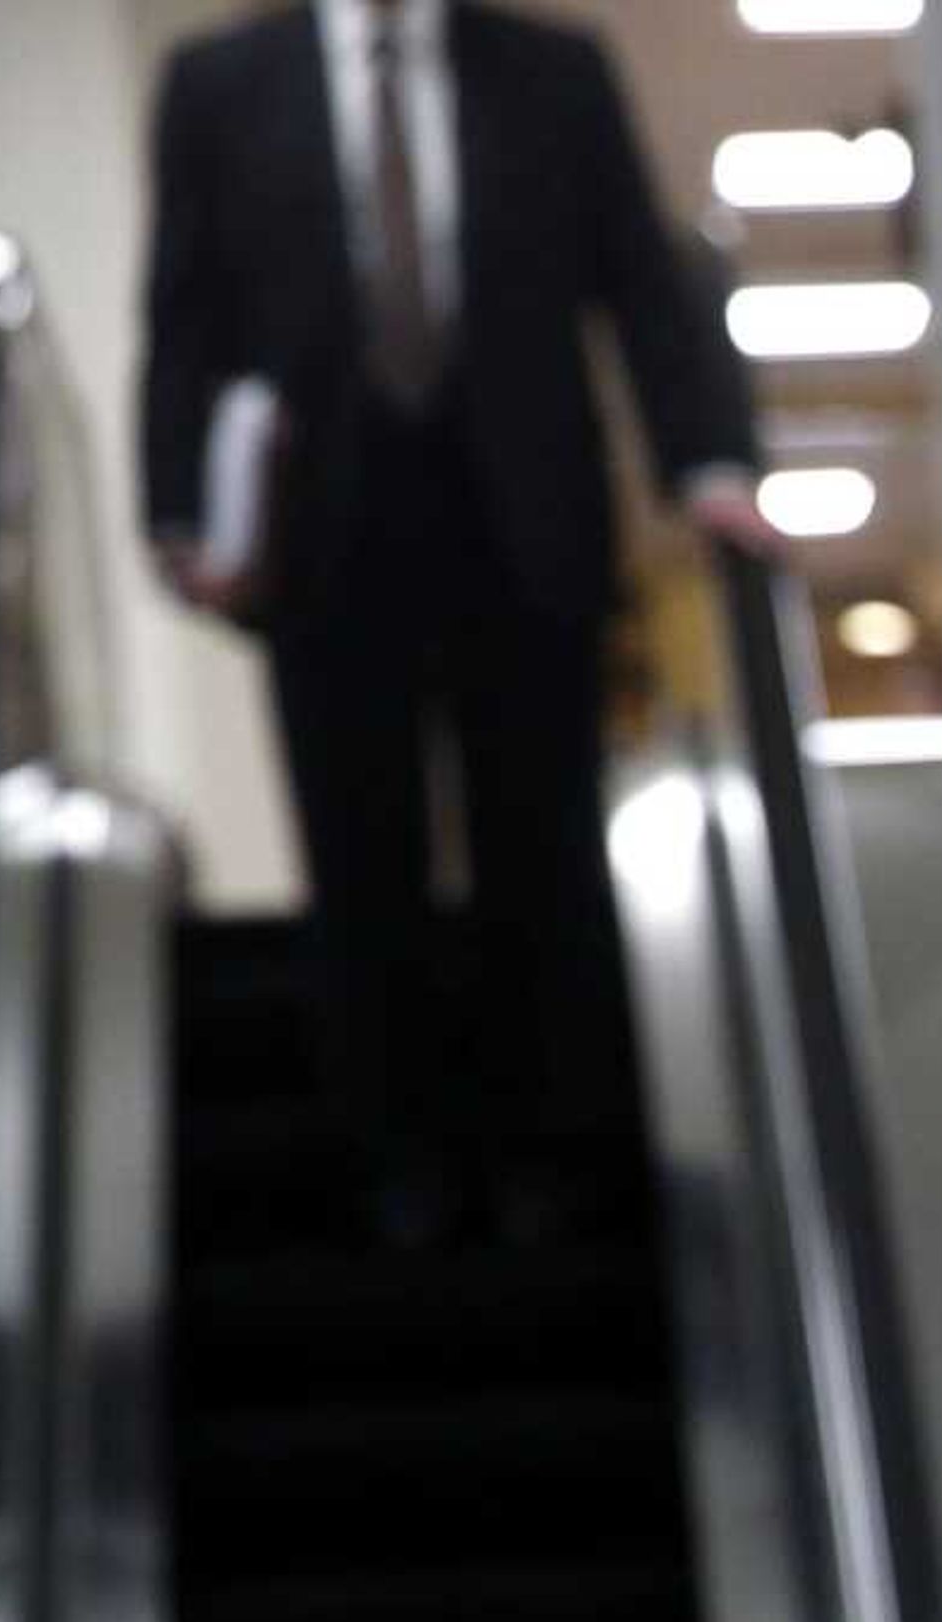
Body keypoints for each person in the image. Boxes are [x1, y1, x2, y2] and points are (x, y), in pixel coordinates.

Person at [137, 0, 774, 1246]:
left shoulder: (554, 72)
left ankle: (550, 1154)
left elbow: (641, 280)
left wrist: (707, 463)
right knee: (359, 850)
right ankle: (397, 1159)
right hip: (325, 535)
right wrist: (178, 514)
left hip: (524, 522)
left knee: (539, 842)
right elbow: (184, 316)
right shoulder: (217, 85)